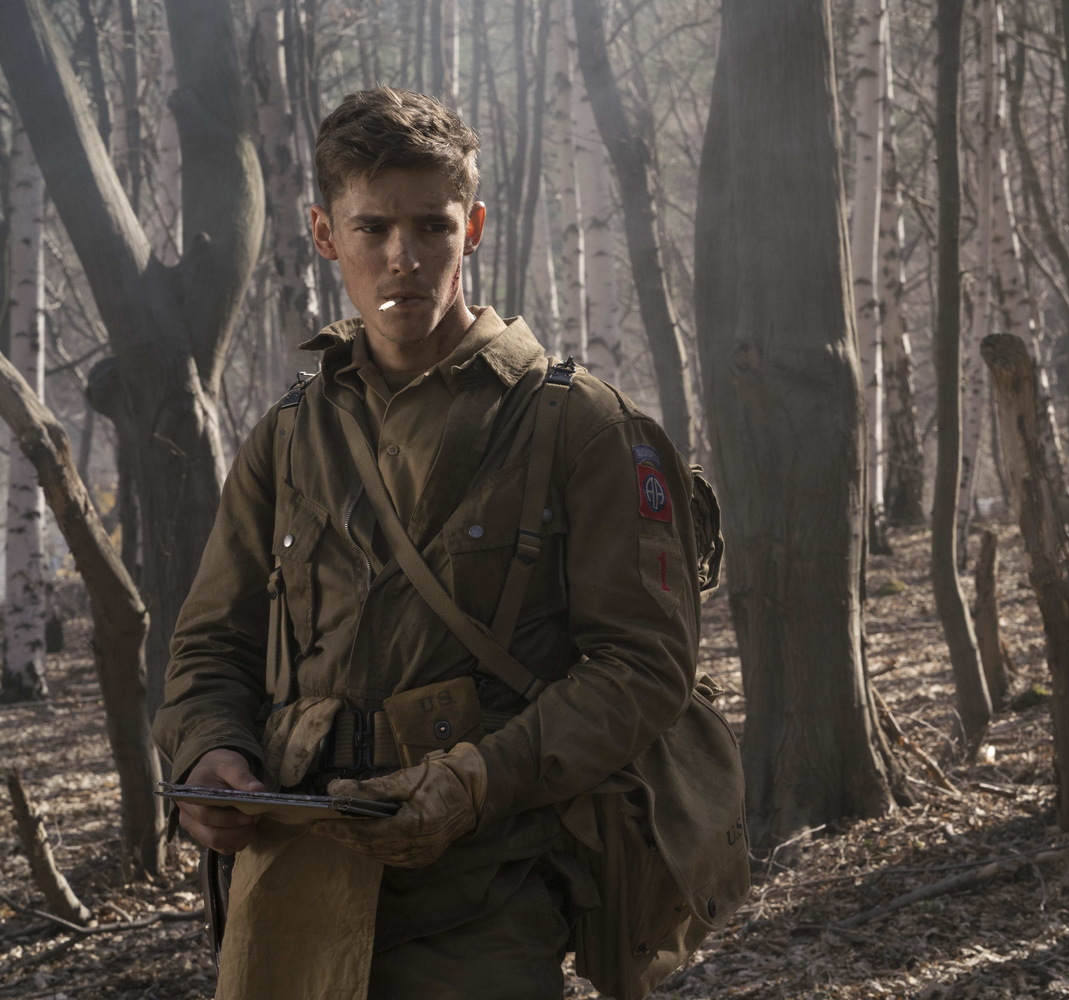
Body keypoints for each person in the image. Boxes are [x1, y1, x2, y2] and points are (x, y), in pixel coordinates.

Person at [152, 87, 701, 1000]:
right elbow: (212, 645)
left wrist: (481, 779)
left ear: (471, 228)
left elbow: (645, 666)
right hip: (292, 886)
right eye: (372, 228)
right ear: (325, 235)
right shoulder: (287, 439)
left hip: (486, 896)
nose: (402, 257)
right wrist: (209, 753)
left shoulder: (580, 427)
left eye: (432, 227)